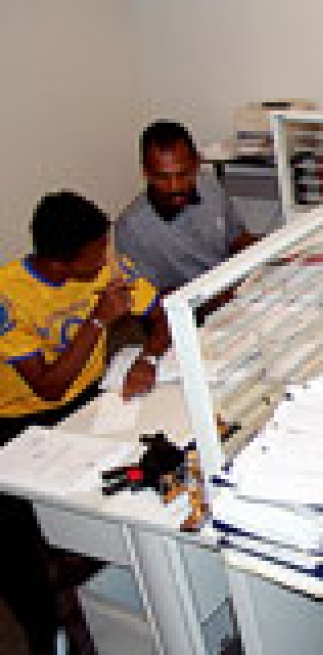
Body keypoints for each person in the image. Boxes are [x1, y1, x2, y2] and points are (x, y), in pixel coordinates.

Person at [0, 191, 170, 654]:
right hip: (20, 422)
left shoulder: (106, 268)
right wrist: (97, 321)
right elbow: (49, 387)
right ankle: (44, 629)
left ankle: (113, 586)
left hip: (89, 402)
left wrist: (148, 359)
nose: (106, 259)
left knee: (134, 480)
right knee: (19, 546)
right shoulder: (9, 297)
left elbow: (162, 317)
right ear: (60, 262)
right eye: (96, 252)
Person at [116, 120, 259, 294]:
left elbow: (237, 237)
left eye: (183, 174)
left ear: (196, 163)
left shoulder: (208, 184)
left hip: (233, 286)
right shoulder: (131, 229)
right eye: (162, 177)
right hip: (192, 304)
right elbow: (152, 300)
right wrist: (214, 297)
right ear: (146, 173)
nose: (175, 187)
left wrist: (273, 254)